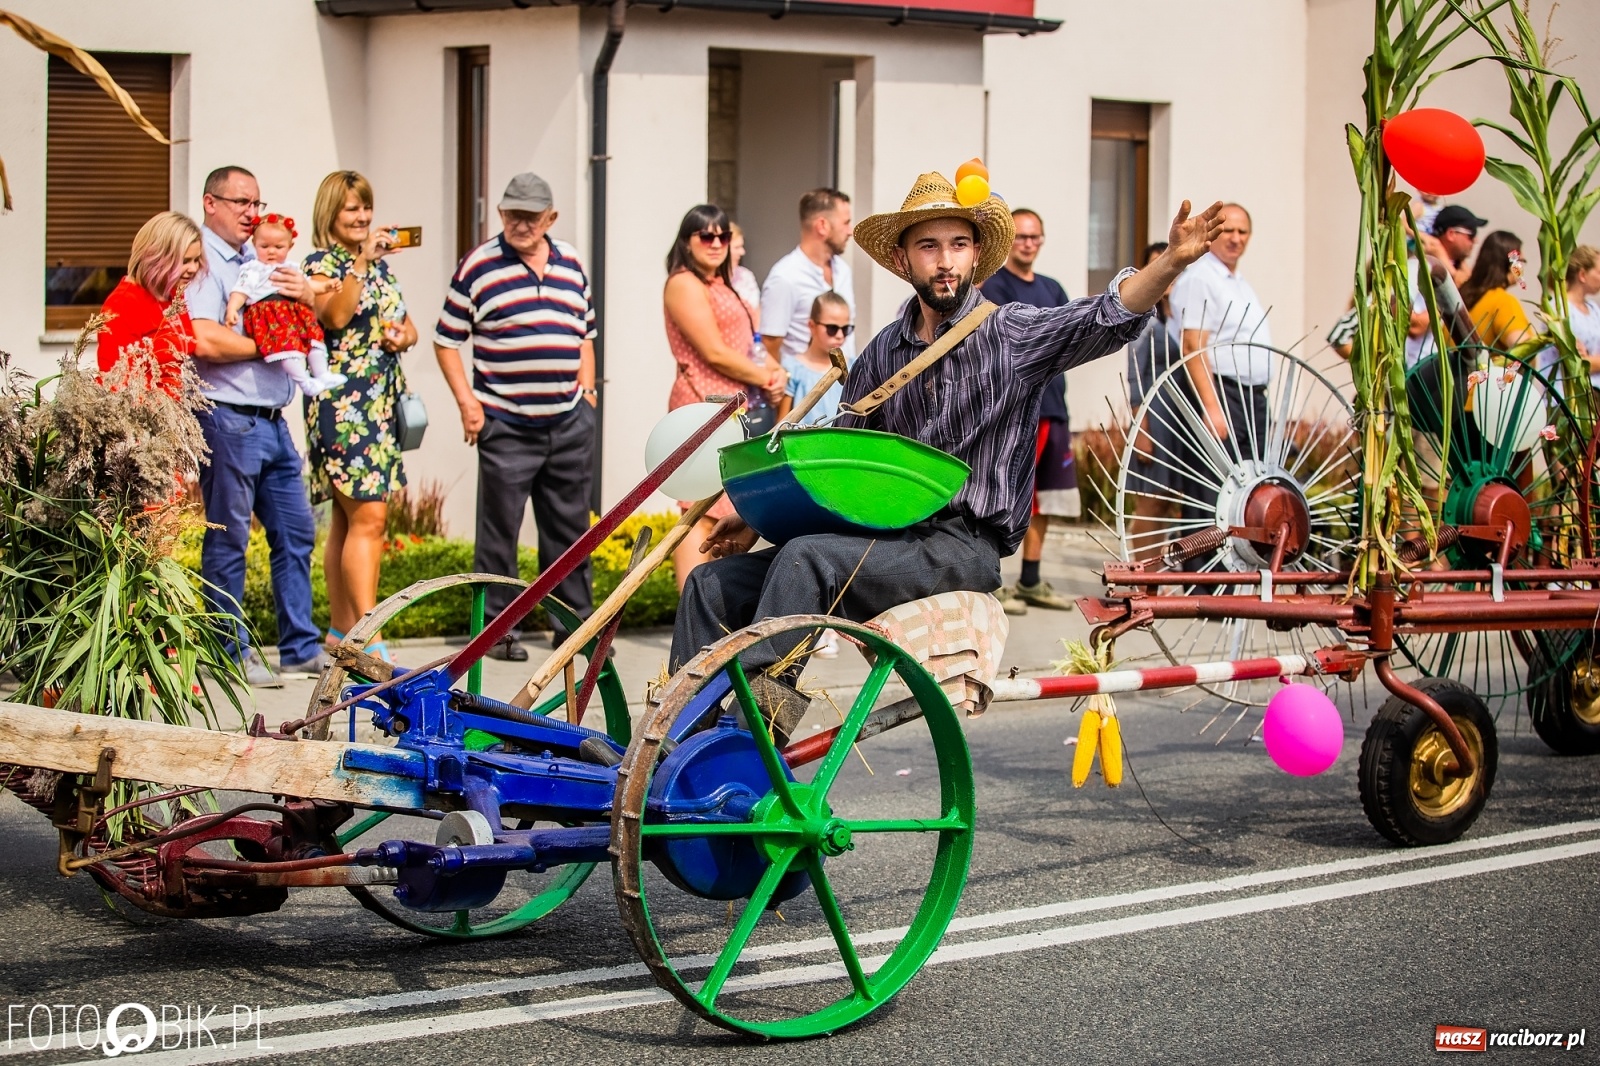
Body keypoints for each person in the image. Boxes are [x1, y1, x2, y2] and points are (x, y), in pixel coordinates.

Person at [670, 171, 1225, 727]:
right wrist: (758, 517)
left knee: (806, 558)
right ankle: (673, 742)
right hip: (882, 539)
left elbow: (1107, 315)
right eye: (928, 246)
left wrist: (1172, 261)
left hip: (962, 545)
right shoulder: (885, 351)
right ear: (904, 259)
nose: (945, 261)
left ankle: (750, 743)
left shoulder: (1010, 335)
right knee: (708, 585)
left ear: (976, 254)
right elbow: (838, 459)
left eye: (958, 245)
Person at [434, 173, 598, 662]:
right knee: (499, 535)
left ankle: (574, 629)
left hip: (569, 421)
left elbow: (584, 333)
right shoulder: (479, 265)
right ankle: (498, 632)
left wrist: (587, 393)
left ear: (551, 218)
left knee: (570, 531)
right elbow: (446, 340)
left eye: (530, 215)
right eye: (512, 214)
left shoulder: (570, 262)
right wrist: (468, 403)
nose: (520, 223)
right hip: (505, 422)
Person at [186, 165, 324, 688]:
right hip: (227, 416)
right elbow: (204, 340)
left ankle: (300, 649)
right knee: (229, 538)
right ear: (210, 203)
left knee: (296, 533)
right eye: (241, 203)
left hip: (272, 418)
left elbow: (306, 319)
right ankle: (225, 652)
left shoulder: (257, 258)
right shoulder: (202, 263)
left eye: (257, 204)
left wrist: (305, 298)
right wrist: (278, 346)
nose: (251, 213)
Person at [303, 171, 418, 666]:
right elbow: (335, 317)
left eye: (366, 208)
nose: (363, 217)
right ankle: (369, 638)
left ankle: (340, 628)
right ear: (331, 213)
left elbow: (407, 324)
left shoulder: (382, 269)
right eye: (352, 208)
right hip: (342, 405)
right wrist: (361, 262)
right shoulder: (321, 265)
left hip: (377, 404)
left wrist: (402, 338)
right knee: (369, 517)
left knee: (349, 522)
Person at [662, 204, 787, 591]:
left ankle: (715, 614)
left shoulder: (724, 283)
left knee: (728, 512)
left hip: (735, 411)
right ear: (687, 242)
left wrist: (774, 368)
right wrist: (766, 375)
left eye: (723, 236)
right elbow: (713, 351)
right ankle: (692, 613)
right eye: (706, 236)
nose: (716, 243)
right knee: (698, 511)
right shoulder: (684, 282)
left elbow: (748, 343)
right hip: (703, 406)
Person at [980, 207, 1074, 615]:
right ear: (1008, 240)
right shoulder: (995, 286)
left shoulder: (1053, 289)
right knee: (1005, 493)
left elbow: (1072, 337)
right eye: (1021, 236)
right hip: (1016, 411)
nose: (1028, 243)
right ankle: (992, 580)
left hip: (1054, 407)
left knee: (1046, 498)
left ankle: (1031, 579)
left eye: (1035, 236)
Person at [1167, 202, 1271, 534]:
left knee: (1244, 494)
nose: (1235, 238)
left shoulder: (1236, 280)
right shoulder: (1200, 277)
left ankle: (1231, 581)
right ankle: (1204, 584)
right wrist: (1212, 408)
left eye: (1242, 232)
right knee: (1213, 493)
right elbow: (1192, 345)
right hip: (1222, 395)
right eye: (1228, 230)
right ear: (1213, 233)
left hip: (1250, 397)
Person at [225, 214, 345, 397]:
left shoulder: (291, 267)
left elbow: (308, 284)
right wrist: (233, 308)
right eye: (264, 246)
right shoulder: (254, 268)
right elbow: (241, 290)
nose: (271, 252)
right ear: (254, 243)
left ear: (290, 246)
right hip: (269, 313)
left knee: (313, 339)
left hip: (293, 313)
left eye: (278, 247)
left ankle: (322, 373)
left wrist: (326, 286)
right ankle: (304, 382)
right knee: (285, 348)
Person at [96, 211, 205, 397]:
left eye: (196, 260)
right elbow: (116, 383)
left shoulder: (172, 294)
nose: (194, 268)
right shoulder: (123, 303)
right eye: (185, 261)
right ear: (156, 256)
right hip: (144, 418)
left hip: (175, 414)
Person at [1124, 241, 1183, 560]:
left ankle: (1160, 572)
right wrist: (1141, 426)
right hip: (1156, 415)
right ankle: (1145, 576)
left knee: (1174, 498)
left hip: (1183, 419)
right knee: (1152, 497)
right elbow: (1135, 372)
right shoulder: (1145, 316)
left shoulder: (1183, 314)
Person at [760, 189, 856, 367]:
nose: (850, 231)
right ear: (822, 226)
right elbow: (770, 345)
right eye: (846, 223)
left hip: (846, 387)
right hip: (806, 389)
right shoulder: (785, 276)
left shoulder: (843, 270)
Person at [728, 220, 776, 434]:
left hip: (753, 360)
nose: (743, 251)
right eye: (737, 246)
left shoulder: (745, 277)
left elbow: (756, 325)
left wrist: (775, 372)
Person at [779, 291, 851, 426]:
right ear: (812, 326)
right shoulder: (792, 368)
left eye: (846, 329)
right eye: (832, 328)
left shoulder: (855, 366)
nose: (840, 335)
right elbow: (782, 425)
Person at [1460, 230, 1535, 349]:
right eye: (1521, 262)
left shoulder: (1462, 297)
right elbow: (1522, 347)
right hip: (1491, 368)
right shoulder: (1504, 302)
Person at [1425, 204, 1488, 288]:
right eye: (1472, 234)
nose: (1476, 240)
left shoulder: (1458, 265)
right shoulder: (1427, 263)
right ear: (1451, 234)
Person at [1566, 245, 1600, 392]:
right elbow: (1577, 362)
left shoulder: (1593, 309)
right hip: (1570, 395)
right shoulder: (1560, 308)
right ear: (1582, 275)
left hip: (1594, 391)